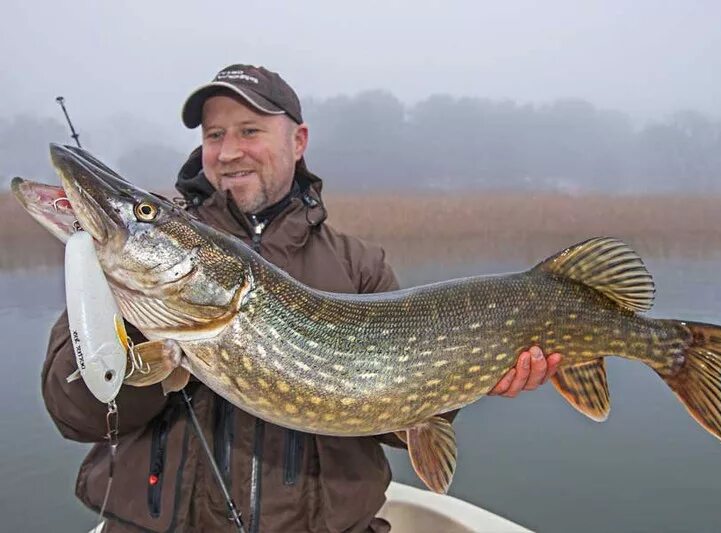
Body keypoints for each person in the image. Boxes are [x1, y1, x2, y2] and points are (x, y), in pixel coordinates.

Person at [41, 64, 562, 532]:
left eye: (250, 131)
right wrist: (134, 327)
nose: (228, 151)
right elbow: (76, 416)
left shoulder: (359, 266)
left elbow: (403, 423)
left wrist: (470, 379)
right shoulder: (116, 274)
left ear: (298, 141)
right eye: (215, 134)